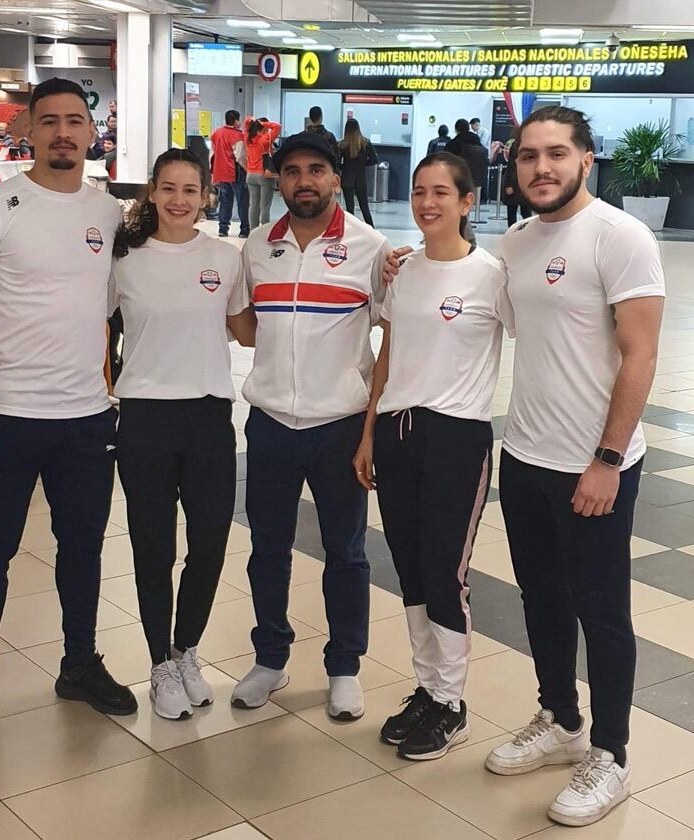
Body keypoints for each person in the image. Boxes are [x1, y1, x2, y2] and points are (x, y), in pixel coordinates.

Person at [0, 77, 137, 755]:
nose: (61, 132)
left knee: (82, 551)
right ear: (27, 129)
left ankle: (78, 664)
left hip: (85, 418)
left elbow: (121, 307)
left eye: (74, 121)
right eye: (48, 120)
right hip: (4, 416)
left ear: (91, 132)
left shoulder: (109, 214)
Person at [483, 105, 665, 827]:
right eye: (529, 156)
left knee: (603, 612)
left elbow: (641, 354)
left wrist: (607, 460)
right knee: (541, 599)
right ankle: (561, 721)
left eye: (557, 154)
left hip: (594, 465)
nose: (542, 168)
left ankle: (611, 755)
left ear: (586, 158)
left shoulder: (621, 236)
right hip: (524, 454)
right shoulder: (519, 240)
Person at [354, 152, 511, 761]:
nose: (426, 203)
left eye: (441, 192)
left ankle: (451, 702)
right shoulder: (404, 270)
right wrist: (368, 432)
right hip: (396, 431)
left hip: (456, 438)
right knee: (411, 569)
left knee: (446, 573)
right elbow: (388, 354)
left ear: (467, 202)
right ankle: (426, 688)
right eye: (419, 191)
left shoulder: (491, 275)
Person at [231, 132, 392, 721]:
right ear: (277, 178)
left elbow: (392, 337)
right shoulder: (255, 247)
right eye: (293, 171)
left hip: (341, 427)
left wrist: (371, 427)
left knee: (346, 551)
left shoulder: (370, 248)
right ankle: (271, 658)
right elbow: (246, 328)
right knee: (266, 548)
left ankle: (344, 666)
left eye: (317, 170)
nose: (304, 181)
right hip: (270, 423)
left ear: (334, 177)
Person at [111, 148, 256, 720]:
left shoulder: (224, 256)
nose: (178, 200)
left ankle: (186, 648)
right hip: (144, 416)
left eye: (190, 190)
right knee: (153, 547)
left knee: (210, 543)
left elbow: (245, 330)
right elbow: (91, 323)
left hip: (208, 416)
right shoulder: (123, 260)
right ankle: (158, 663)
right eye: (168, 188)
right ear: (152, 192)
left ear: (206, 195)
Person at [210, 109, 249, 238]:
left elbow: (212, 154)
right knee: (242, 201)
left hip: (221, 171)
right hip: (235, 171)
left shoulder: (216, 133)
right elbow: (240, 156)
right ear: (236, 121)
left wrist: (213, 171)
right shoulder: (237, 135)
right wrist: (247, 169)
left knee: (225, 201)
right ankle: (244, 229)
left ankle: (223, 229)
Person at [338, 118, 377, 228]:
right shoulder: (366, 143)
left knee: (350, 208)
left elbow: (336, 162)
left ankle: (352, 232)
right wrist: (363, 164)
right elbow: (374, 160)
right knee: (364, 207)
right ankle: (372, 230)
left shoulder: (342, 145)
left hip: (347, 178)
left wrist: (343, 167)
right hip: (360, 178)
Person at [244, 116, 281, 230]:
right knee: (265, 206)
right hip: (264, 175)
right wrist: (266, 124)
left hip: (250, 175)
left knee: (253, 205)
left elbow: (246, 122)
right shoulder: (265, 139)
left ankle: (253, 231)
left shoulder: (247, 138)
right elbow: (278, 127)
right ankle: (264, 232)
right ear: (262, 127)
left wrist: (254, 121)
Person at [502, 138, 532, 227]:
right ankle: (526, 230)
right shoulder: (522, 144)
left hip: (518, 182)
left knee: (517, 211)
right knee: (524, 211)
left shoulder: (518, 144)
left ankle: (517, 231)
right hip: (521, 182)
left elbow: (511, 165)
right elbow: (512, 165)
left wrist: (509, 184)